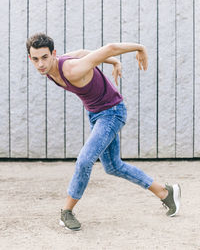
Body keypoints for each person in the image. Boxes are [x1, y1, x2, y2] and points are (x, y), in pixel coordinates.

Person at [26, 33, 181, 231]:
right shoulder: (49, 67)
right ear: (30, 58)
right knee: (113, 166)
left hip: (111, 113)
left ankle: (66, 212)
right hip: (97, 115)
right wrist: (113, 62)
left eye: (45, 57)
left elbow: (109, 47)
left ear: (53, 54)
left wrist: (140, 47)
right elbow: (83, 53)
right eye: (35, 59)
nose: (40, 64)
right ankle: (166, 193)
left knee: (84, 160)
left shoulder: (71, 69)